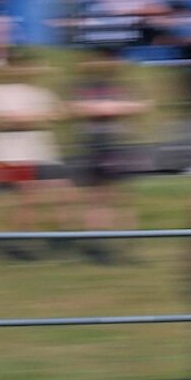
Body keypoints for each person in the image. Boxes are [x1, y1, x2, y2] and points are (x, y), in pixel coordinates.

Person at [0, 51, 74, 260]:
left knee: (59, 193)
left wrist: (25, 118)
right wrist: (25, 119)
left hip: (36, 148)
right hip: (7, 149)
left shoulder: (39, 92)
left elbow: (58, 113)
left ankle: (54, 240)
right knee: (17, 197)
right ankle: (15, 243)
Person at [69, 50, 149, 262]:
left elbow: (140, 107)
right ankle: (98, 245)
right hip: (94, 147)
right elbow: (78, 109)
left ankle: (128, 243)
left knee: (124, 197)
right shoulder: (82, 89)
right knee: (96, 198)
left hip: (117, 146)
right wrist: (112, 109)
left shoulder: (119, 88)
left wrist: (109, 109)